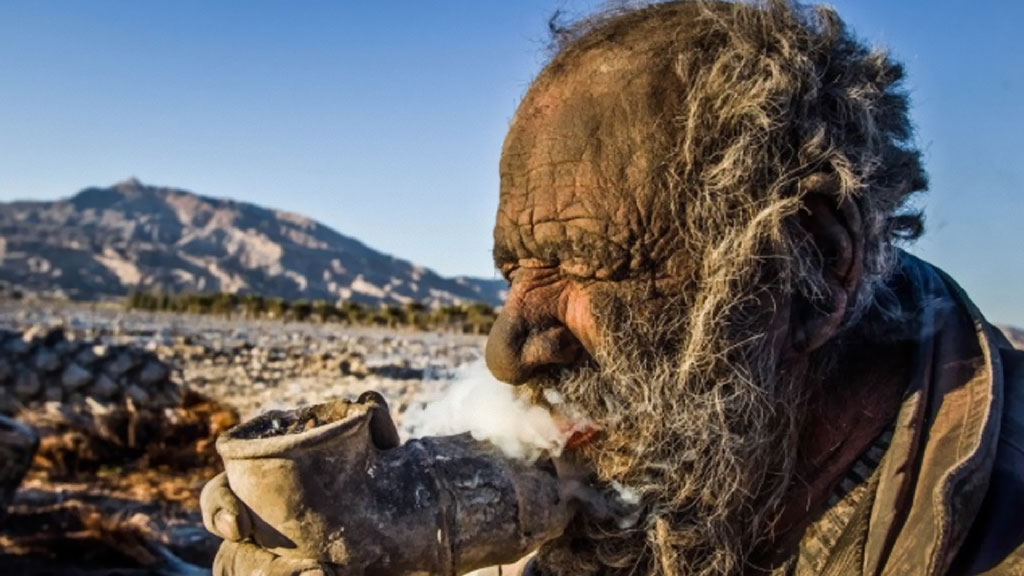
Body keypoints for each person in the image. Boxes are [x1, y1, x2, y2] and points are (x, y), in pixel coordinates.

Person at [202, 1, 1024, 574]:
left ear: (808, 266)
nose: (507, 353)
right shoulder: (670, 470)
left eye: (587, 262)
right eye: (513, 268)